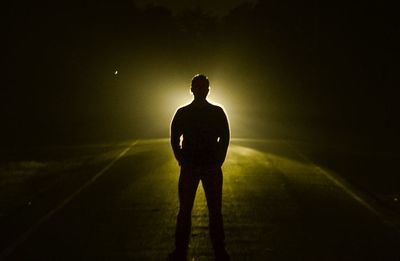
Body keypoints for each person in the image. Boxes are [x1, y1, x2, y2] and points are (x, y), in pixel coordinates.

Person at [169, 74, 230, 261]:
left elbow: (225, 138)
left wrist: (182, 158)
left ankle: (182, 250)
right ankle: (217, 250)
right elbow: (224, 138)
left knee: (201, 209)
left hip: (200, 166)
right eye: (199, 87)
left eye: (203, 87)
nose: (201, 90)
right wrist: (183, 159)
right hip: (200, 166)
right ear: (194, 89)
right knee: (197, 209)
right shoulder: (214, 112)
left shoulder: (185, 112)